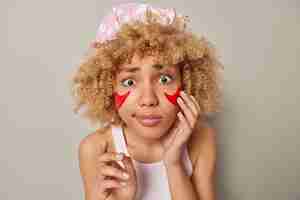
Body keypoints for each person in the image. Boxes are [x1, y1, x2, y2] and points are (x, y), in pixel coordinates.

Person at [70, 3, 223, 200]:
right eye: (129, 82)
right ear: (108, 87)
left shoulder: (201, 138)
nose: (148, 100)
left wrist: (174, 163)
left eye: (164, 79)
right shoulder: (97, 148)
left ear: (187, 82)